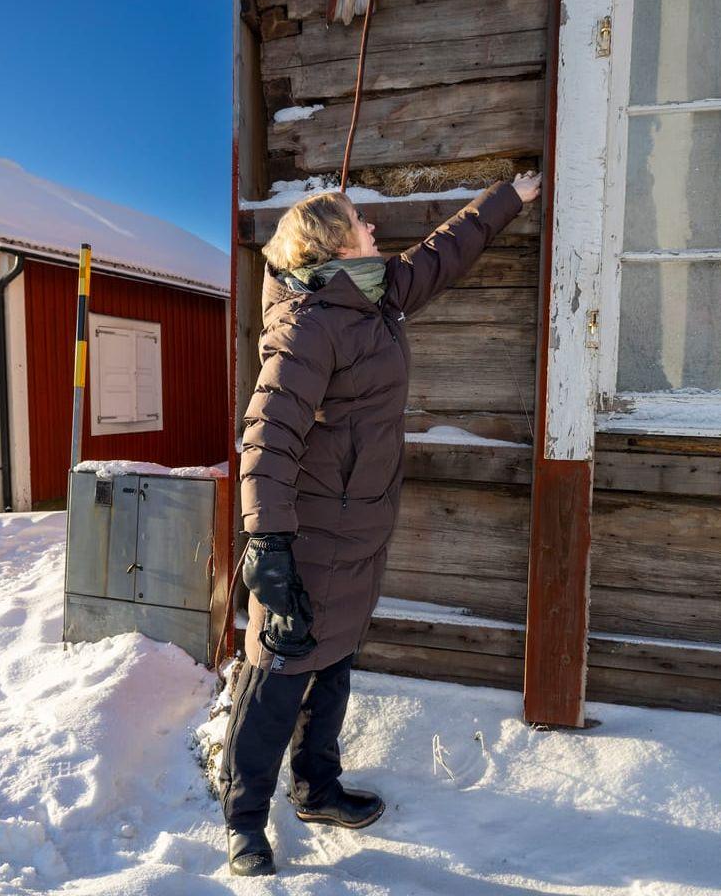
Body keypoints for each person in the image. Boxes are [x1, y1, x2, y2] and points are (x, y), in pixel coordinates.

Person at [220, 172, 541, 876]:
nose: (373, 228)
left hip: (360, 529)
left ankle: (316, 789)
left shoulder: (373, 297)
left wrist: (507, 199)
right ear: (331, 241)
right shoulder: (307, 326)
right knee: (276, 673)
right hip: (307, 539)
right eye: (360, 221)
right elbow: (266, 437)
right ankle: (244, 819)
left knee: (332, 664)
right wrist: (267, 544)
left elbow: (439, 256)